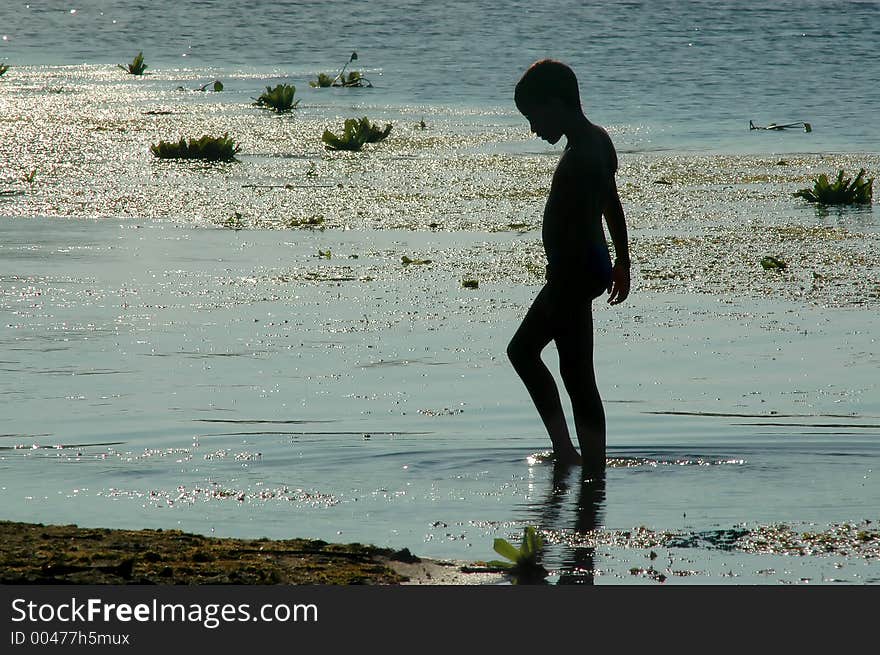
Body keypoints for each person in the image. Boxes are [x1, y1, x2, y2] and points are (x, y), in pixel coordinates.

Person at [507, 59, 631, 472]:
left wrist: (579, 272)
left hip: (574, 275)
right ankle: (591, 465)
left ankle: (570, 454)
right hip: (587, 270)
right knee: (576, 373)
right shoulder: (597, 140)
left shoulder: (582, 156)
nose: (533, 129)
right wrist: (621, 262)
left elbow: (591, 217)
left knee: (523, 352)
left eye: (534, 117)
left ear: (558, 104)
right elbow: (612, 205)